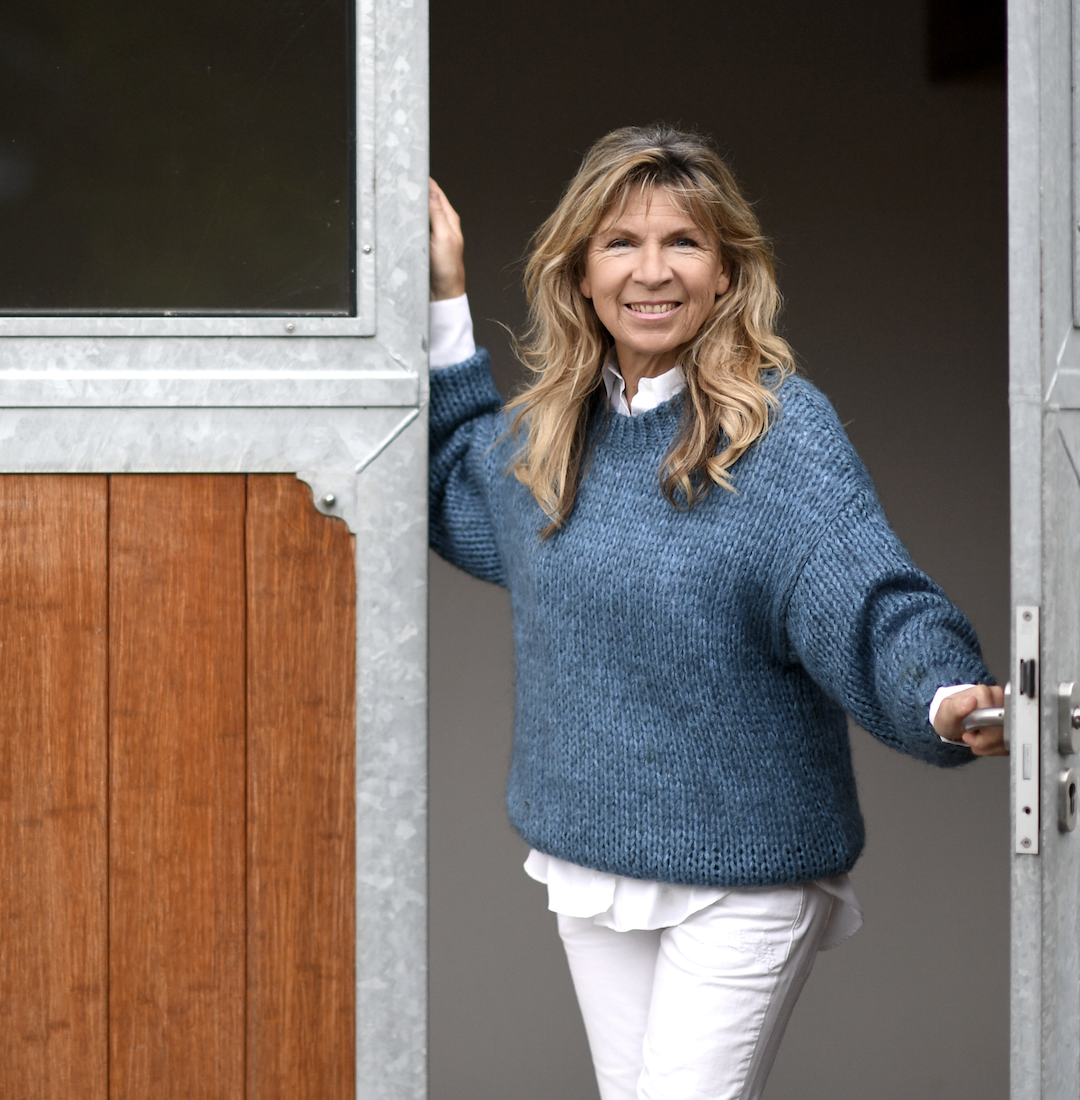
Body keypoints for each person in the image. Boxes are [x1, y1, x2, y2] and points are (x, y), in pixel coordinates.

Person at [425, 124, 1008, 1100]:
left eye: (684, 242)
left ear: (727, 272)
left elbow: (871, 597)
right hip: (590, 861)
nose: (652, 270)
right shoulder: (553, 436)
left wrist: (944, 693)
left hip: (745, 872)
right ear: (581, 274)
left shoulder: (776, 432)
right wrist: (445, 294)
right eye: (621, 242)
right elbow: (453, 481)